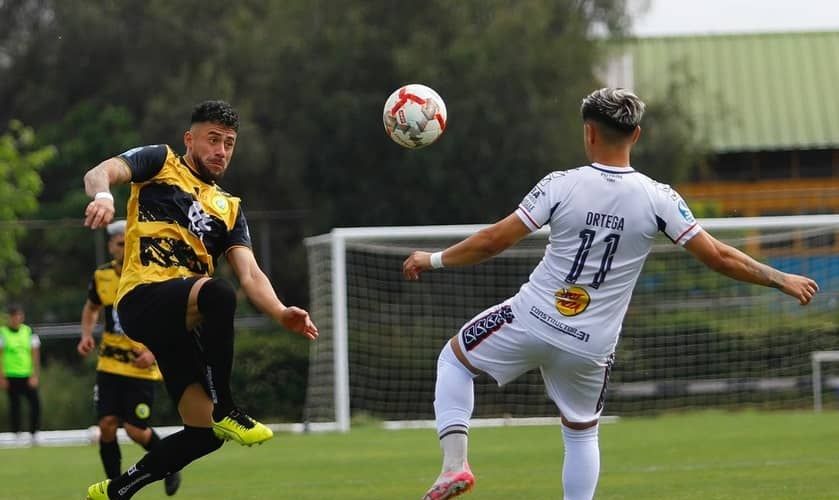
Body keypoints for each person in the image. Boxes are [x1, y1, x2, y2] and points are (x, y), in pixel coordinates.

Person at [402, 88, 820, 500]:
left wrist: (434, 259)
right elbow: (718, 257)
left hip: (529, 320)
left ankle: (454, 466)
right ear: (636, 136)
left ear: (589, 133)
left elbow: (493, 241)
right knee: (582, 433)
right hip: (591, 345)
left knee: (454, 360)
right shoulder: (660, 199)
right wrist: (779, 278)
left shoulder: (560, 185)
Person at [81, 100, 318, 500]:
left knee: (203, 435)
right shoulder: (160, 161)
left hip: (182, 318)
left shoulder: (230, 209)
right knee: (218, 292)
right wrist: (104, 196)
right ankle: (228, 407)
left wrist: (280, 311)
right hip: (143, 299)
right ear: (190, 139)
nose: (221, 150)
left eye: (229, 143)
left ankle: (117, 490)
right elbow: (100, 171)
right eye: (212, 140)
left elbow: (251, 273)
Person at [77, 219, 181, 495]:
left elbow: (169, 319)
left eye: (129, 243)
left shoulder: (150, 275)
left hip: (140, 367)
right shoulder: (101, 277)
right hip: (110, 364)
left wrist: (153, 352)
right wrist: (86, 334)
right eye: (120, 244)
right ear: (111, 247)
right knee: (107, 425)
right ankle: (116, 488)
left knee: (136, 430)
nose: (125, 248)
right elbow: (91, 308)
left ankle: (170, 465)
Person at [0, 304, 42, 444]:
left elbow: (35, 354)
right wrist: (1, 377)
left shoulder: (29, 332)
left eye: (19, 315)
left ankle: (34, 433)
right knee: (15, 405)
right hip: (10, 374)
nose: (16, 319)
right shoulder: (3, 333)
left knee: (35, 403)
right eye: (14, 316)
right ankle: (16, 433)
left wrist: (35, 374)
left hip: (27, 374)